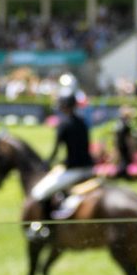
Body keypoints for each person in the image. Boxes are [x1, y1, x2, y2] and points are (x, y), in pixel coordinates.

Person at [29, 88, 99, 218]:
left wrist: (46, 163)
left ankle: (43, 226)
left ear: (63, 106)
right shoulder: (83, 122)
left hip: (74, 170)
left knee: (39, 192)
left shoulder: (64, 124)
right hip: (89, 168)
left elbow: (56, 151)